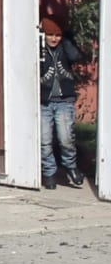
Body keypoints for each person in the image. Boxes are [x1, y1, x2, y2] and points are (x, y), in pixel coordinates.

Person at [39, 17, 86, 189]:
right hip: (44, 102)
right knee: (44, 140)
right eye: (49, 35)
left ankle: (70, 166)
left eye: (57, 35)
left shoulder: (65, 49)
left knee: (66, 137)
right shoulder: (40, 50)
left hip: (64, 101)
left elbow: (76, 56)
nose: (53, 39)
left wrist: (66, 38)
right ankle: (49, 172)